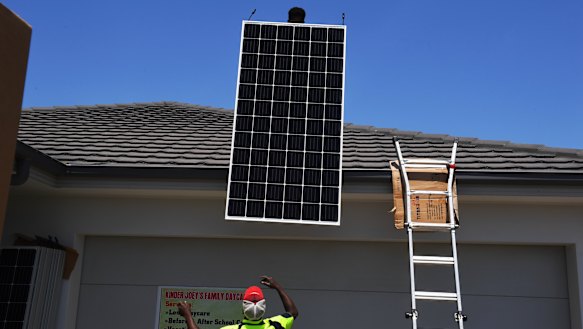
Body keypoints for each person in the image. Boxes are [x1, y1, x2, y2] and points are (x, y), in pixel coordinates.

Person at [177, 275, 298, 329]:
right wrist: (278, 287)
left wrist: (187, 314)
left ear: (243, 309)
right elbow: (292, 312)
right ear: (264, 308)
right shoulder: (277, 325)